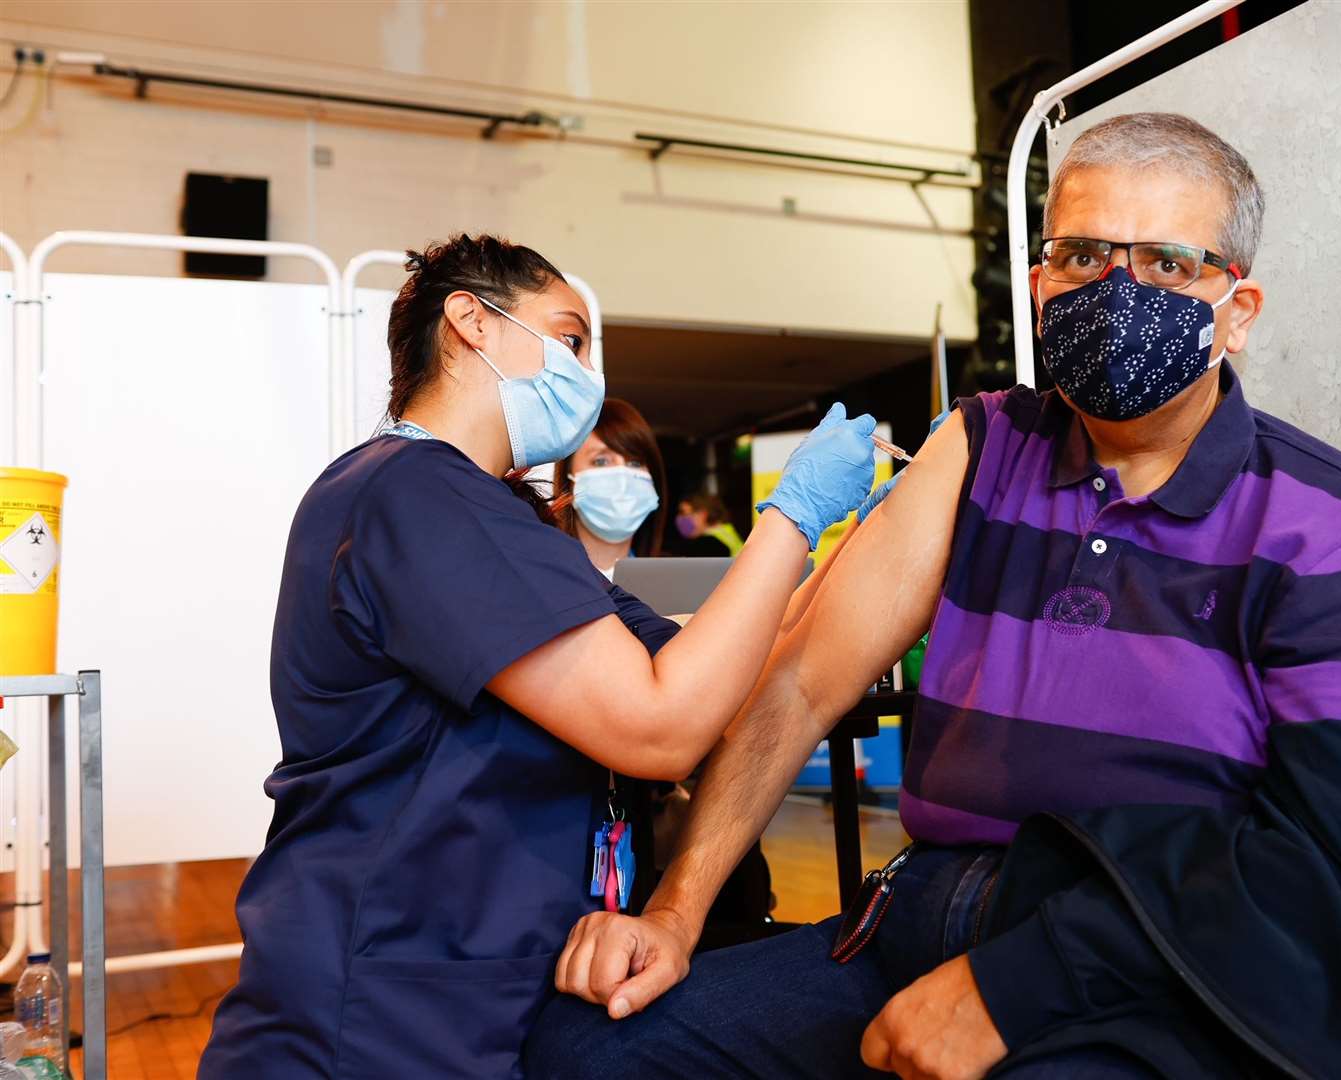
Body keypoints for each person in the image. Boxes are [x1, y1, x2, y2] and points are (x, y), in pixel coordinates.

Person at [533, 113, 1341, 1079]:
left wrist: (1015, 986)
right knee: (589, 1048)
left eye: (1166, 264)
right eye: (1081, 256)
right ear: (1038, 288)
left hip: (1158, 961)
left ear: (1237, 311)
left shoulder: (1333, 526)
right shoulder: (982, 447)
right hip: (917, 919)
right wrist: (675, 914)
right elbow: (799, 687)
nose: (1116, 292)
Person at [196, 233, 879, 1079]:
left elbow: (722, 683)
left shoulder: (506, 522)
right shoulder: (415, 495)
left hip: (476, 996)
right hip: (378, 1012)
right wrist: (792, 516)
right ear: (470, 322)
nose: (586, 375)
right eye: (569, 339)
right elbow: (660, 728)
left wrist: (865, 546)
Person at [551, 397, 667, 581]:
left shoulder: (671, 581)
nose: (622, 476)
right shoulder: (540, 577)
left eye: (635, 463)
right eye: (601, 461)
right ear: (569, 478)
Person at [674, 492, 743, 556]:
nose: (681, 518)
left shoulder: (711, 543)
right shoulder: (727, 532)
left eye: (684, 513)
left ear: (702, 514)